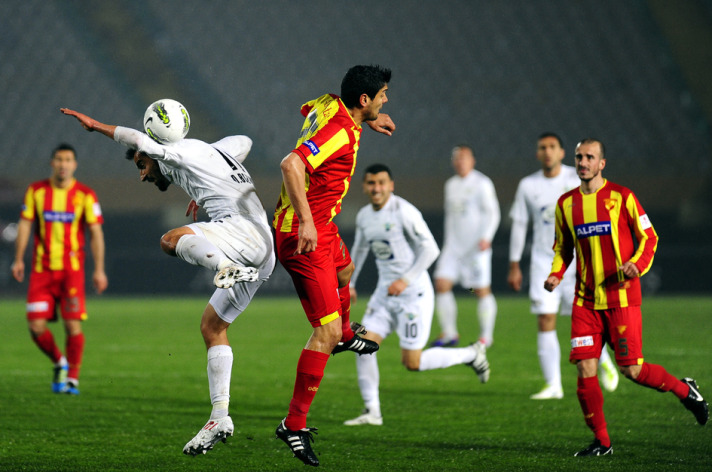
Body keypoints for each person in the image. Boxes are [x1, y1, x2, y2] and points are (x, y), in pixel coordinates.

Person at [60, 106, 275, 456]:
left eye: (142, 166)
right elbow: (243, 141)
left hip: (241, 233)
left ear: (152, 153)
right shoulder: (206, 152)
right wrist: (206, 174)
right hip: (264, 251)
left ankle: (223, 267)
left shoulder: (175, 152)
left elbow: (139, 139)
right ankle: (219, 416)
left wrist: (96, 126)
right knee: (212, 327)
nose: (143, 176)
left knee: (170, 240)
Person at [544, 138, 708, 456]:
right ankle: (602, 442)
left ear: (602, 163)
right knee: (585, 370)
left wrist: (637, 264)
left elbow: (649, 237)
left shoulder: (622, 197)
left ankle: (684, 390)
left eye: (590, 157)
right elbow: (562, 248)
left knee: (632, 370)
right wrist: (556, 273)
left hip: (620, 299)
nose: (582, 162)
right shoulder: (566, 203)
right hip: (585, 301)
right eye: (579, 157)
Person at [273, 65, 395, 467]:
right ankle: (293, 424)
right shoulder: (341, 129)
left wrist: (366, 122)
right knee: (322, 332)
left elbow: (311, 107)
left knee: (346, 271)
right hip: (301, 234)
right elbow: (291, 164)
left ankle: (345, 333)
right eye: (382, 95)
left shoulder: (332, 106)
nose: (385, 100)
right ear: (364, 100)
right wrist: (306, 219)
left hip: (322, 228)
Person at [344, 164, 490, 426]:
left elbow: (431, 250)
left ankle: (471, 354)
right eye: (371, 183)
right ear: (365, 186)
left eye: (381, 183)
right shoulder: (365, 215)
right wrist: (350, 282)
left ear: (391, 185)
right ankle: (372, 412)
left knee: (412, 362)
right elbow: (360, 248)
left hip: (414, 294)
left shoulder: (405, 212)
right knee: (362, 345)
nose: (376, 188)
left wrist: (405, 279)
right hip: (384, 294)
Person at [508, 133, 619, 400]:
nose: (547, 152)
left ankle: (604, 362)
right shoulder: (528, 185)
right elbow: (521, 224)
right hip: (541, 262)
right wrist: (514, 264)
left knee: (583, 322)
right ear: (537, 154)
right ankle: (553, 385)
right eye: (542, 148)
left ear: (561, 152)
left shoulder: (576, 178)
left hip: (578, 263)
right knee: (545, 319)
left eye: (552, 147)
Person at [11, 143, 108, 396]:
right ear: (52, 163)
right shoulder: (36, 191)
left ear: (74, 165)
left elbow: (96, 234)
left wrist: (99, 270)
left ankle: (72, 379)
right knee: (35, 327)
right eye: (59, 159)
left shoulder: (86, 195)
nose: (63, 164)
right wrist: (18, 259)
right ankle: (59, 361)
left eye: (68, 160)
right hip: (41, 271)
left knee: (72, 326)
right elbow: (24, 225)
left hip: (71, 272)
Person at [431, 145, 500, 348]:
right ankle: (449, 333)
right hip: (454, 247)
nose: (460, 161)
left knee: (479, 290)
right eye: (457, 158)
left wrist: (486, 237)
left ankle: (486, 337)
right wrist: (448, 243)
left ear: (473, 160)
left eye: (464, 158)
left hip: (476, 248)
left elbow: (493, 213)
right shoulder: (450, 184)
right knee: (442, 284)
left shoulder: (482, 183)